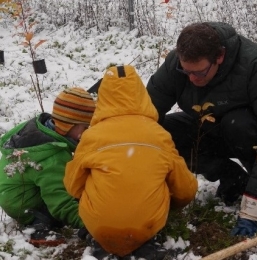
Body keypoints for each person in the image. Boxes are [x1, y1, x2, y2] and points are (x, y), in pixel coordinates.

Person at [146, 22, 257, 237]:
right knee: (165, 133)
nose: (191, 79)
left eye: (199, 73)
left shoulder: (256, 64)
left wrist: (251, 209)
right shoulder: (176, 65)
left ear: (220, 56)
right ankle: (232, 176)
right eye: (186, 71)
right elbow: (146, 115)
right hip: (213, 126)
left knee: (237, 123)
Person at [64, 65, 198, 259]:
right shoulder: (159, 134)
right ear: (141, 95)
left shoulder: (91, 136)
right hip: (148, 225)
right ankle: (145, 242)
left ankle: (102, 241)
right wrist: (171, 205)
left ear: (103, 97)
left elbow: (72, 185)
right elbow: (186, 189)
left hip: (99, 224)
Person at [0, 87, 96, 246]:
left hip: (13, 191)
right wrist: (90, 224)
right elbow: (60, 201)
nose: (86, 133)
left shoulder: (40, 128)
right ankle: (38, 226)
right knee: (62, 197)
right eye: (84, 128)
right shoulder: (52, 156)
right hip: (22, 204)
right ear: (67, 125)